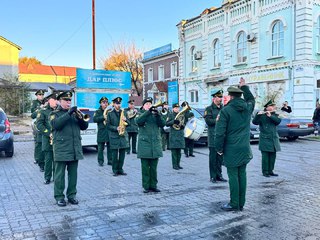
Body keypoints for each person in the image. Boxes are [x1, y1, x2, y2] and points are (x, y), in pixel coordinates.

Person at [214, 78, 255, 211]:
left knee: (233, 175)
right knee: (242, 174)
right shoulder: (247, 108)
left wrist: (219, 148)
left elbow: (220, 133)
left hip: (231, 148)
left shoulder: (225, 111)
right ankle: (241, 203)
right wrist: (244, 87)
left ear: (230, 96)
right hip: (244, 147)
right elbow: (251, 100)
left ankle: (234, 203)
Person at [50, 91, 88, 207]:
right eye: (66, 100)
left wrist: (80, 118)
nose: (68, 102)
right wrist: (69, 113)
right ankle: (59, 197)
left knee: (73, 175)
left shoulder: (74, 114)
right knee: (59, 175)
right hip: (61, 148)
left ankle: (71, 195)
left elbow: (84, 126)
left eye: (69, 100)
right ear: (60, 101)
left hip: (74, 148)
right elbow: (56, 125)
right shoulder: (54, 113)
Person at [136, 97, 166, 193]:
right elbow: (139, 121)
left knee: (154, 168)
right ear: (143, 106)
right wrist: (148, 112)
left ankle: (153, 185)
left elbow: (163, 124)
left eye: (150, 104)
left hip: (155, 144)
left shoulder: (155, 114)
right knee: (145, 168)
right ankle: (146, 186)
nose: (149, 105)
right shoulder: (139, 113)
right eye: (147, 104)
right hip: (144, 144)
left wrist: (158, 115)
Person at [252, 100, 281, 177]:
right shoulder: (262, 115)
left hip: (273, 139)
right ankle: (265, 172)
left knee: (272, 156)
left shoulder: (275, 115)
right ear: (267, 107)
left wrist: (270, 116)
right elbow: (254, 122)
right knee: (265, 157)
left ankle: (271, 170)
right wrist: (258, 115)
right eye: (271, 106)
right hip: (265, 139)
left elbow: (278, 121)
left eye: (273, 106)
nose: (273, 107)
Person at [204, 90, 227, 183]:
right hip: (213, 137)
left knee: (220, 158)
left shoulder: (223, 108)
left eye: (221, 97)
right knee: (213, 158)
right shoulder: (209, 109)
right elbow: (208, 122)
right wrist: (217, 120)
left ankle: (219, 175)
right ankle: (213, 176)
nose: (220, 99)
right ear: (214, 98)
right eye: (218, 97)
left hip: (222, 137)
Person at [36, 92, 58, 184]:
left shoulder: (58, 111)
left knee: (57, 161)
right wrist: (48, 133)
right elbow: (39, 125)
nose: (56, 101)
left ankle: (57, 177)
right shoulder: (43, 111)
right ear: (49, 100)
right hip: (47, 139)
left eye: (57, 100)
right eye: (54, 100)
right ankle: (47, 177)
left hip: (58, 140)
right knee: (48, 160)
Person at [106, 97, 129, 176]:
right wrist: (116, 128)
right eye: (117, 103)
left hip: (122, 136)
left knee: (122, 155)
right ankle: (115, 170)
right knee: (115, 155)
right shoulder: (110, 113)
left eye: (119, 103)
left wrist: (126, 120)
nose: (118, 105)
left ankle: (120, 169)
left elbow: (129, 123)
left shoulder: (124, 112)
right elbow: (108, 125)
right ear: (114, 104)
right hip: (114, 136)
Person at [93, 97, 113, 166]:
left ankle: (110, 161)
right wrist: (103, 117)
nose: (105, 104)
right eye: (103, 103)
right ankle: (100, 161)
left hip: (108, 131)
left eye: (106, 102)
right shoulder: (98, 111)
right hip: (101, 132)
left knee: (110, 148)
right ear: (100, 103)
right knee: (100, 148)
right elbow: (95, 119)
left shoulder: (110, 111)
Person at [166, 103, 185, 170]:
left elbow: (183, 123)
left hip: (180, 134)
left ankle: (178, 164)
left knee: (179, 152)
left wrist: (183, 126)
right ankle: (174, 165)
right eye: (176, 108)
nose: (177, 109)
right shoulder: (170, 115)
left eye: (178, 108)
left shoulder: (181, 115)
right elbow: (167, 123)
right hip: (173, 135)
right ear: (173, 108)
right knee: (174, 152)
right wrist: (173, 121)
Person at [31, 89, 46, 171]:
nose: (41, 96)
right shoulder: (34, 102)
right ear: (37, 96)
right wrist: (40, 108)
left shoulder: (45, 101)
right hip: (36, 124)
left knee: (41, 142)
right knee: (38, 142)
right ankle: (37, 158)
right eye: (39, 95)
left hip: (44, 124)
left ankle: (41, 159)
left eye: (42, 95)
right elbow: (32, 114)